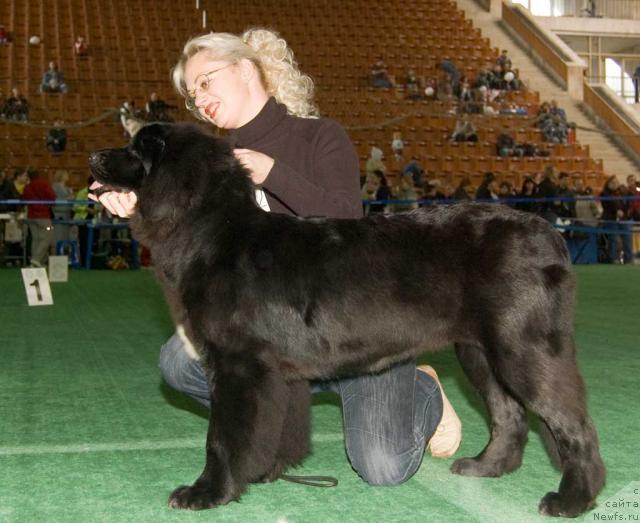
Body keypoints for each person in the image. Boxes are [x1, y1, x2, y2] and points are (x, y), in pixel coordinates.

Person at [90, 28, 462, 485]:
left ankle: (421, 389)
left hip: (359, 335)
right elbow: (189, 257)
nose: (198, 98)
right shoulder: (203, 160)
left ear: (246, 69)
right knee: (179, 362)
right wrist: (134, 207)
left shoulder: (321, 137)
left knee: (383, 467)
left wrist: (273, 173)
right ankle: (271, 427)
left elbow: (350, 227)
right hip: (281, 342)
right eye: (191, 93)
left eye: (205, 81)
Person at [22, 170, 56, 267]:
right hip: (43, 217)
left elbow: (24, 199)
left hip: (31, 216)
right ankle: (36, 259)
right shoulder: (44, 184)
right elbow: (52, 197)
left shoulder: (27, 187)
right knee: (47, 238)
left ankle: (37, 262)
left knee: (36, 239)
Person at [600, 176, 633, 264]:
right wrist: (616, 211)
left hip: (622, 218)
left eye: (616, 182)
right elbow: (606, 206)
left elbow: (626, 204)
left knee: (627, 237)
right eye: (613, 182)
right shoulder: (604, 193)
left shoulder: (621, 193)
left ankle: (628, 259)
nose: (615, 184)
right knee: (613, 238)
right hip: (610, 219)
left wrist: (623, 211)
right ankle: (612, 258)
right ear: (608, 184)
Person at [52, 170, 73, 245]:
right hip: (59, 212)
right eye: (65, 174)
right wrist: (68, 198)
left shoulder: (67, 188)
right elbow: (54, 199)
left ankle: (65, 248)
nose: (67, 176)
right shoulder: (55, 186)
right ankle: (57, 249)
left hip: (67, 212)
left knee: (66, 233)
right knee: (59, 233)